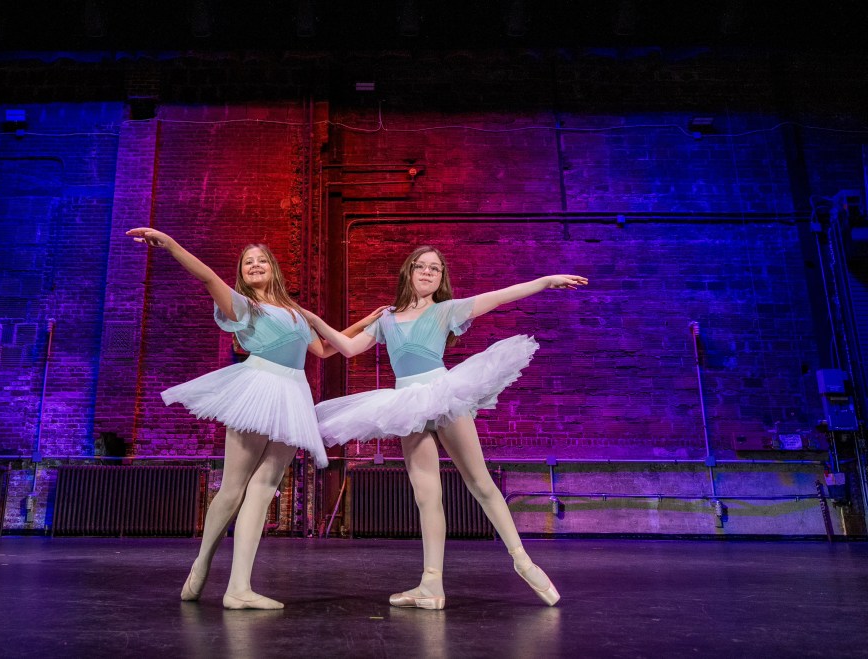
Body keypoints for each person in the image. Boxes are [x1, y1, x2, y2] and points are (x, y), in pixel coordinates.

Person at [303, 245, 587, 610]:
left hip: (442, 393)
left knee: (480, 482)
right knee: (427, 496)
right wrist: (313, 318)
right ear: (408, 272)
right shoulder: (386, 319)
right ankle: (431, 584)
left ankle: (523, 561)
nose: (426, 272)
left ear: (441, 278)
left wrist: (545, 281)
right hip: (407, 404)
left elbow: (499, 296)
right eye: (420, 266)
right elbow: (345, 348)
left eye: (434, 269)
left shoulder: (446, 310)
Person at [127, 228, 355, 610]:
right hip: (258, 388)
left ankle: (238, 588)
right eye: (248, 262)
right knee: (233, 488)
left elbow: (324, 349)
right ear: (242, 273)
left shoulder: (296, 313)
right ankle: (203, 560)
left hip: (293, 395)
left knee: (264, 488)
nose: (255, 265)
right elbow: (207, 277)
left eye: (261, 260)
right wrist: (171, 244)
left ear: (274, 269)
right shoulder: (244, 306)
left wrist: (368, 324)